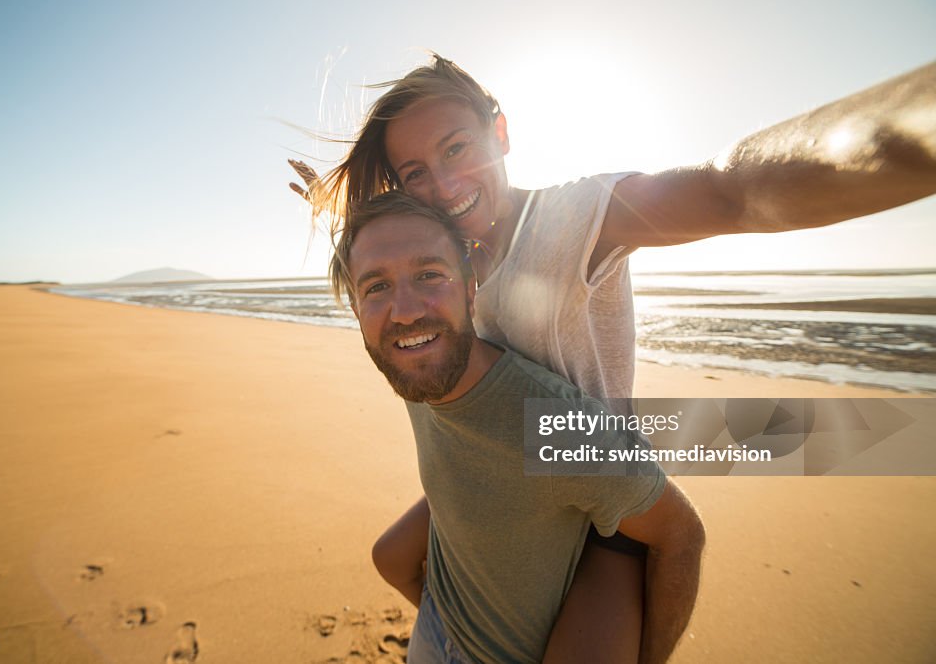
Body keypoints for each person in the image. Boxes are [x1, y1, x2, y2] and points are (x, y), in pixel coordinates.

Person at [290, 55, 936, 660]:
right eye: (416, 175)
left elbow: (728, 191)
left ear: (501, 132)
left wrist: (905, 129)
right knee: (393, 555)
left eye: (457, 148)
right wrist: (332, 205)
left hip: (595, 493)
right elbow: (391, 257)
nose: (445, 184)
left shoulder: (571, 218)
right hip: (500, 464)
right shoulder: (448, 250)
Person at [335, 190, 705, 663]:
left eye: (429, 274)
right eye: (376, 287)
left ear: (471, 289)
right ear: (356, 311)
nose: (405, 311)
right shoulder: (416, 369)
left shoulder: (548, 422)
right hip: (436, 625)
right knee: (389, 556)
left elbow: (681, 533)